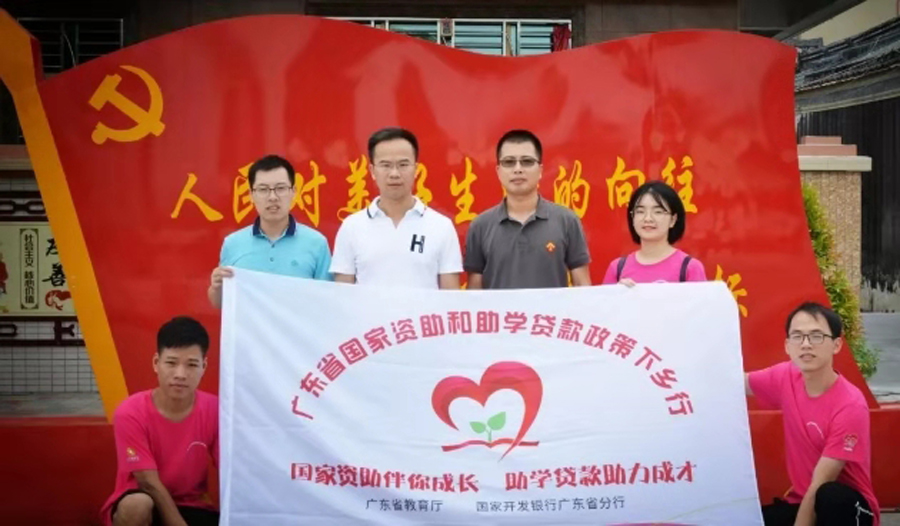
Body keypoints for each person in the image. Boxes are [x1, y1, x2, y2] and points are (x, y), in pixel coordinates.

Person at [746, 302, 879, 526]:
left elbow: (821, 481)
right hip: (802, 500)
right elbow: (736, 382)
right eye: (797, 336)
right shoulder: (785, 377)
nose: (806, 344)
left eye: (816, 336)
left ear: (836, 345)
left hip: (849, 509)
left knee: (830, 496)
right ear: (787, 345)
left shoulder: (850, 405)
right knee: (747, 520)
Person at [100, 317, 219, 526]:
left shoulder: (216, 410)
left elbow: (230, 470)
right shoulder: (130, 412)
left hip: (193, 505)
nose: (180, 374)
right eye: (171, 363)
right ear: (156, 363)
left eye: (192, 365)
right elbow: (148, 482)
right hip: (145, 500)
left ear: (204, 366)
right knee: (136, 506)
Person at [330, 127, 462, 289]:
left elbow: (450, 295)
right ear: (372, 171)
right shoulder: (352, 227)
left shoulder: (441, 226)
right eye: (385, 165)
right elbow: (342, 294)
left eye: (403, 164)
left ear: (416, 169)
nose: (394, 174)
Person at [465, 129, 591, 289]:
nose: (518, 169)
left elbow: (582, 285)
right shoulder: (480, 226)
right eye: (509, 162)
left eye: (527, 161)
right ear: (498, 171)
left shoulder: (566, 221)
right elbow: (474, 293)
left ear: (540, 170)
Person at [208, 154, 331, 308]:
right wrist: (216, 287)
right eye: (263, 189)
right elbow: (220, 303)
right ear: (251, 195)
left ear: (293, 192)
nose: (273, 197)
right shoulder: (232, 243)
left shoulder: (317, 243)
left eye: (280, 188)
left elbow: (328, 300)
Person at [601, 180, 705, 285]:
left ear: (673, 220)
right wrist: (618, 292)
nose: (648, 218)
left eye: (658, 212)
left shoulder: (690, 268)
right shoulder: (617, 268)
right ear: (632, 217)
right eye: (640, 211)